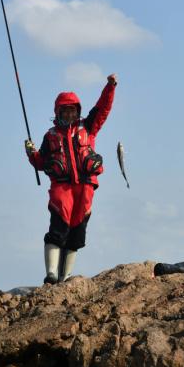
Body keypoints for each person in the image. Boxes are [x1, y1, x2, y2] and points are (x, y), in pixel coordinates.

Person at [25, 74, 117, 284]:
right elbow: (41, 163)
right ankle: (51, 275)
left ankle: (65, 278)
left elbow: (103, 109)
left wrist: (110, 87)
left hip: (85, 187)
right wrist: (32, 154)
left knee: (77, 234)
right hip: (62, 188)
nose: (68, 114)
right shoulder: (50, 136)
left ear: (78, 111)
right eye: (64, 110)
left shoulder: (89, 127)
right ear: (57, 112)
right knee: (58, 228)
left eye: (72, 110)